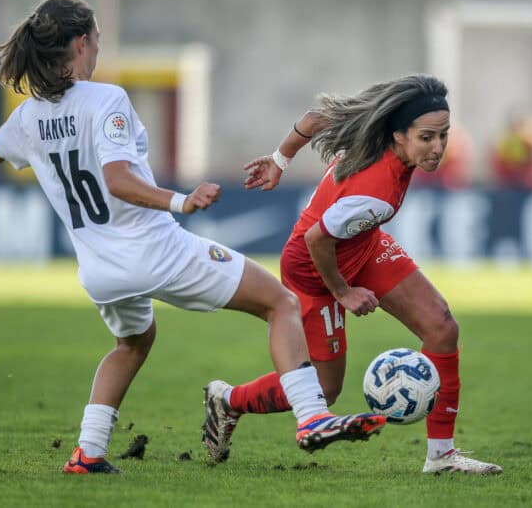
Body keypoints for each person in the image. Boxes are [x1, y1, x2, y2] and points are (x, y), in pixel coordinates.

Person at [0, 0, 386, 475]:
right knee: (280, 303)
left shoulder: (28, 116)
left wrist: (36, 136)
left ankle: (88, 452)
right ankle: (312, 418)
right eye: (97, 42)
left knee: (131, 343)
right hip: (156, 249)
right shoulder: (105, 99)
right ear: (81, 42)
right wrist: (181, 200)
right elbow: (115, 180)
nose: (98, 51)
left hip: (99, 268)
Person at [202, 74, 502, 475]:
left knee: (442, 327)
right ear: (398, 136)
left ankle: (442, 457)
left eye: (443, 136)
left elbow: (313, 119)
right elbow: (316, 239)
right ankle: (229, 401)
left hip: (363, 246)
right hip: (315, 268)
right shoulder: (373, 192)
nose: (437, 148)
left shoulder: (374, 136)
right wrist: (342, 292)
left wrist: (279, 160)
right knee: (324, 390)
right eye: (426, 137)